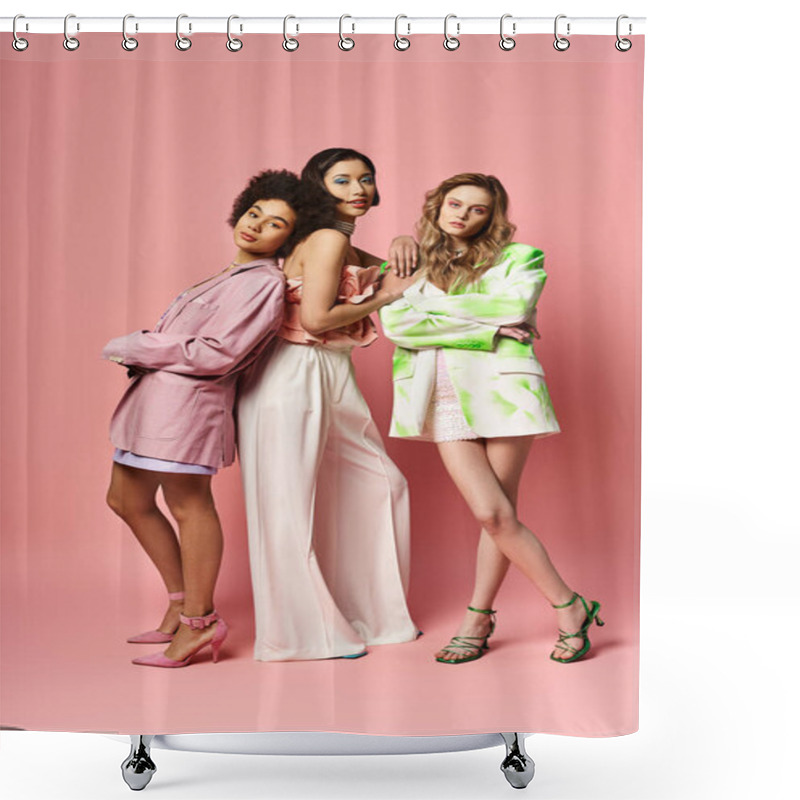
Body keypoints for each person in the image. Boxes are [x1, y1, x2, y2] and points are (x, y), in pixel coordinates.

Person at [103, 169, 334, 668]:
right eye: (254, 213)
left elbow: (218, 353)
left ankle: (199, 624)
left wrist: (138, 343)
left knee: (189, 507)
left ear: (288, 239)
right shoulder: (230, 274)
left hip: (187, 410)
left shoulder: (263, 284)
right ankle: (179, 603)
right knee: (125, 499)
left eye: (274, 224)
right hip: (153, 405)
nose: (255, 226)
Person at [379, 173, 604, 664]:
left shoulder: (521, 257)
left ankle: (483, 619)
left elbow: (513, 305)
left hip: (506, 392)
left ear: (492, 217)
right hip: (439, 396)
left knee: (495, 516)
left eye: (477, 209)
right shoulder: (411, 260)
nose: (461, 214)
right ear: (437, 205)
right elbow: (396, 323)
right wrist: (486, 326)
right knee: (494, 514)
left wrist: (441, 318)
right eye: (454, 203)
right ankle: (572, 606)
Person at [237, 148, 418, 661]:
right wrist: (381, 300)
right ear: (319, 186)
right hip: (293, 371)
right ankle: (301, 635)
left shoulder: (343, 244)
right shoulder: (326, 238)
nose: (358, 188)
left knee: (382, 483)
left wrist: (406, 241)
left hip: (330, 371)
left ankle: (370, 616)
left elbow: (409, 270)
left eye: (366, 178)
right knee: (287, 503)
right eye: (343, 180)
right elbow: (316, 319)